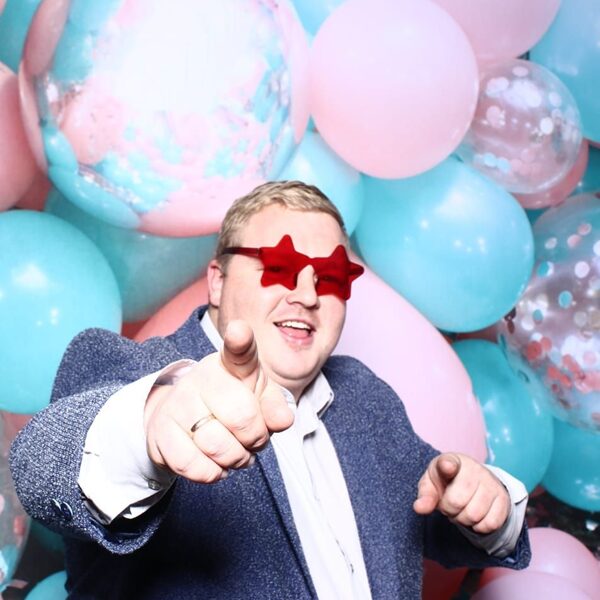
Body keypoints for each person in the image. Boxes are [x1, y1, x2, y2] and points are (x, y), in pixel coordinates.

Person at [10, 181, 530, 599]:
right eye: (280, 267)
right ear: (217, 281)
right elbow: (41, 467)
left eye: (330, 276)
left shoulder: (365, 397)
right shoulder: (130, 369)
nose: (307, 295)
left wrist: (489, 504)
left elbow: (434, 517)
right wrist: (148, 428)